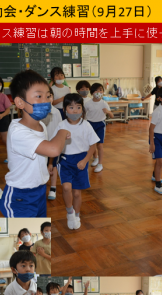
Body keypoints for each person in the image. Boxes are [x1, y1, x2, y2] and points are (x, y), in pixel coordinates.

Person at [0, 69, 70, 217]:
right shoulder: (18, 131)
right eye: (39, 96)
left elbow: (43, 151)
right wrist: (63, 131)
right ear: (20, 102)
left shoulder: (41, 125)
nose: (46, 101)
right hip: (20, 196)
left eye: (48, 96)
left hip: (39, 189)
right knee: (24, 231)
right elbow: (53, 149)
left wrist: (48, 165)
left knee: (40, 229)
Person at [52, 93, 99, 230]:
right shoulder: (61, 125)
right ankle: (70, 212)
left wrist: (85, 160)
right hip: (65, 161)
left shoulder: (86, 125)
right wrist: (51, 163)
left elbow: (93, 145)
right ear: (65, 109)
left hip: (81, 161)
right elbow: (54, 144)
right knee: (66, 188)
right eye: (71, 107)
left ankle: (77, 215)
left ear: (82, 109)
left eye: (78, 107)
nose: (75, 111)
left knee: (77, 193)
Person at [84, 82, 114, 173]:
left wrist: (108, 112)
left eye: (100, 90)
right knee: (92, 144)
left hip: (100, 124)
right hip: (90, 124)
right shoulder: (88, 103)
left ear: (103, 92)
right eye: (96, 90)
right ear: (92, 92)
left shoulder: (104, 103)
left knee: (99, 145)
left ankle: (100, 164)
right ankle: (95, 158)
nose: (98, 92)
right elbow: (83, 114)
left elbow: (112, 116)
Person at [44, 87, 63, 200]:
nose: (47, 99)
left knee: (53, 165)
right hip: (41, 144)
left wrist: (58, 141)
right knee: (42, 165)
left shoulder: (56, 112)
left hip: (53, 144)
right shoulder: (38, 111)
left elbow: (60, 128)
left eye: (49, 96)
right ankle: (41, 185)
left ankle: (53, 187)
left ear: (52, 97)